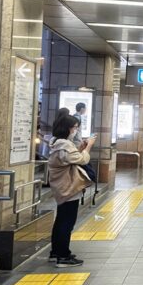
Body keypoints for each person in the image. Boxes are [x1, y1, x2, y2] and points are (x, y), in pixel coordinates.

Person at [47, 114, 95, 267]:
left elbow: (71, 158)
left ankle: (56, 252)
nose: (75, 130)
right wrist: (88, 147)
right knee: (66, 223)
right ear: (67, 128)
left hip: (61, 187)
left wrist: (80, 148)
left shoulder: (57, 143)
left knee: (61, 220)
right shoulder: (64, 145)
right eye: (74, 127)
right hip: (68, 188)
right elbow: (82, 160)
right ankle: (63, 256)